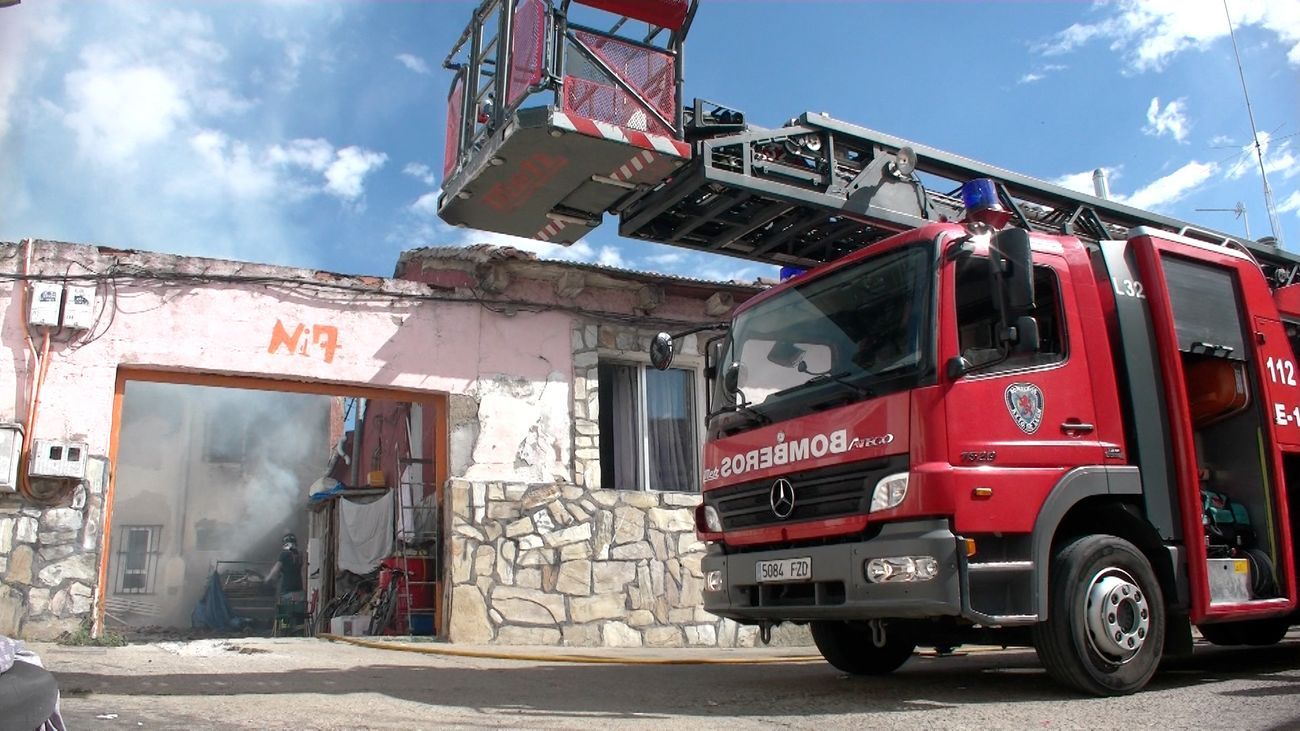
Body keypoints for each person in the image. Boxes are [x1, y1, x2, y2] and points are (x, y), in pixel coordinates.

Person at [263, 532, 304, 603]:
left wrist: (267, 579)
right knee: (297, 608)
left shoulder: (284, 554)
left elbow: (275, 570)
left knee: (286, 609)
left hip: (287, 588)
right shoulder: (300, 555)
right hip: (298, 587)